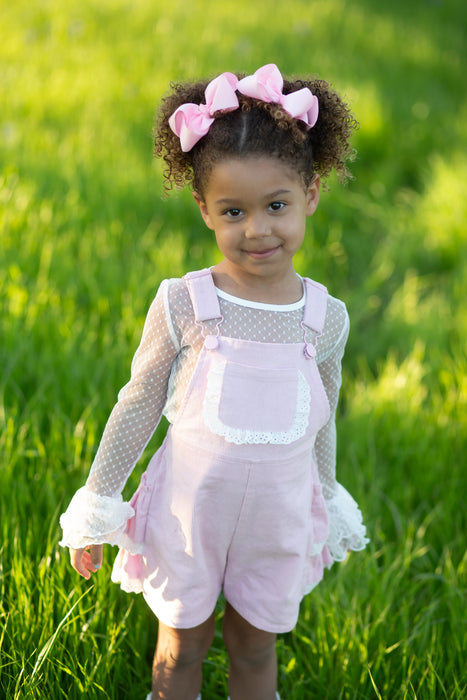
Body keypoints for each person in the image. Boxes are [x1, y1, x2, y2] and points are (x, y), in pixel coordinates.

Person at [59, 63, 369, 700]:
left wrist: (329, 497)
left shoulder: (324, 318)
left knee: (255, 648)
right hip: (187, 517)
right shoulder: (185, 304)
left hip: (274, 521)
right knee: (181, 650)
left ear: (311, 193)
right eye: (235, 211)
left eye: (276, 205)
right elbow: (139, 399)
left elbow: (324, 414)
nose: (258, 229)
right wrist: (99, 500)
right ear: (204, 209)